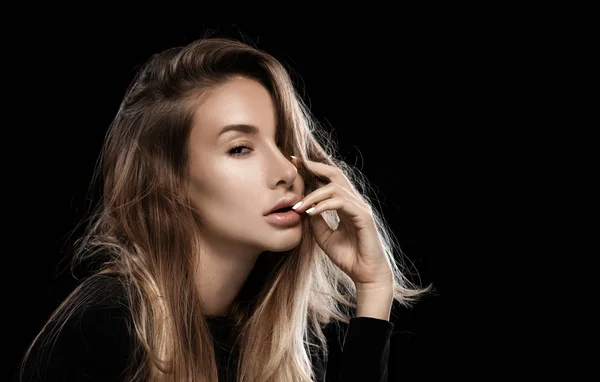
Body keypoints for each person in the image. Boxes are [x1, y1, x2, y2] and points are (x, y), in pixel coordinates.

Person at [19, 36, 429, 381]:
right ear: (171, 180)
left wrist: (375, 289)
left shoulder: (284, 342)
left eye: (284, 143)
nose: (286, 170)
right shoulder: (106, 326)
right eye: (240, 148)